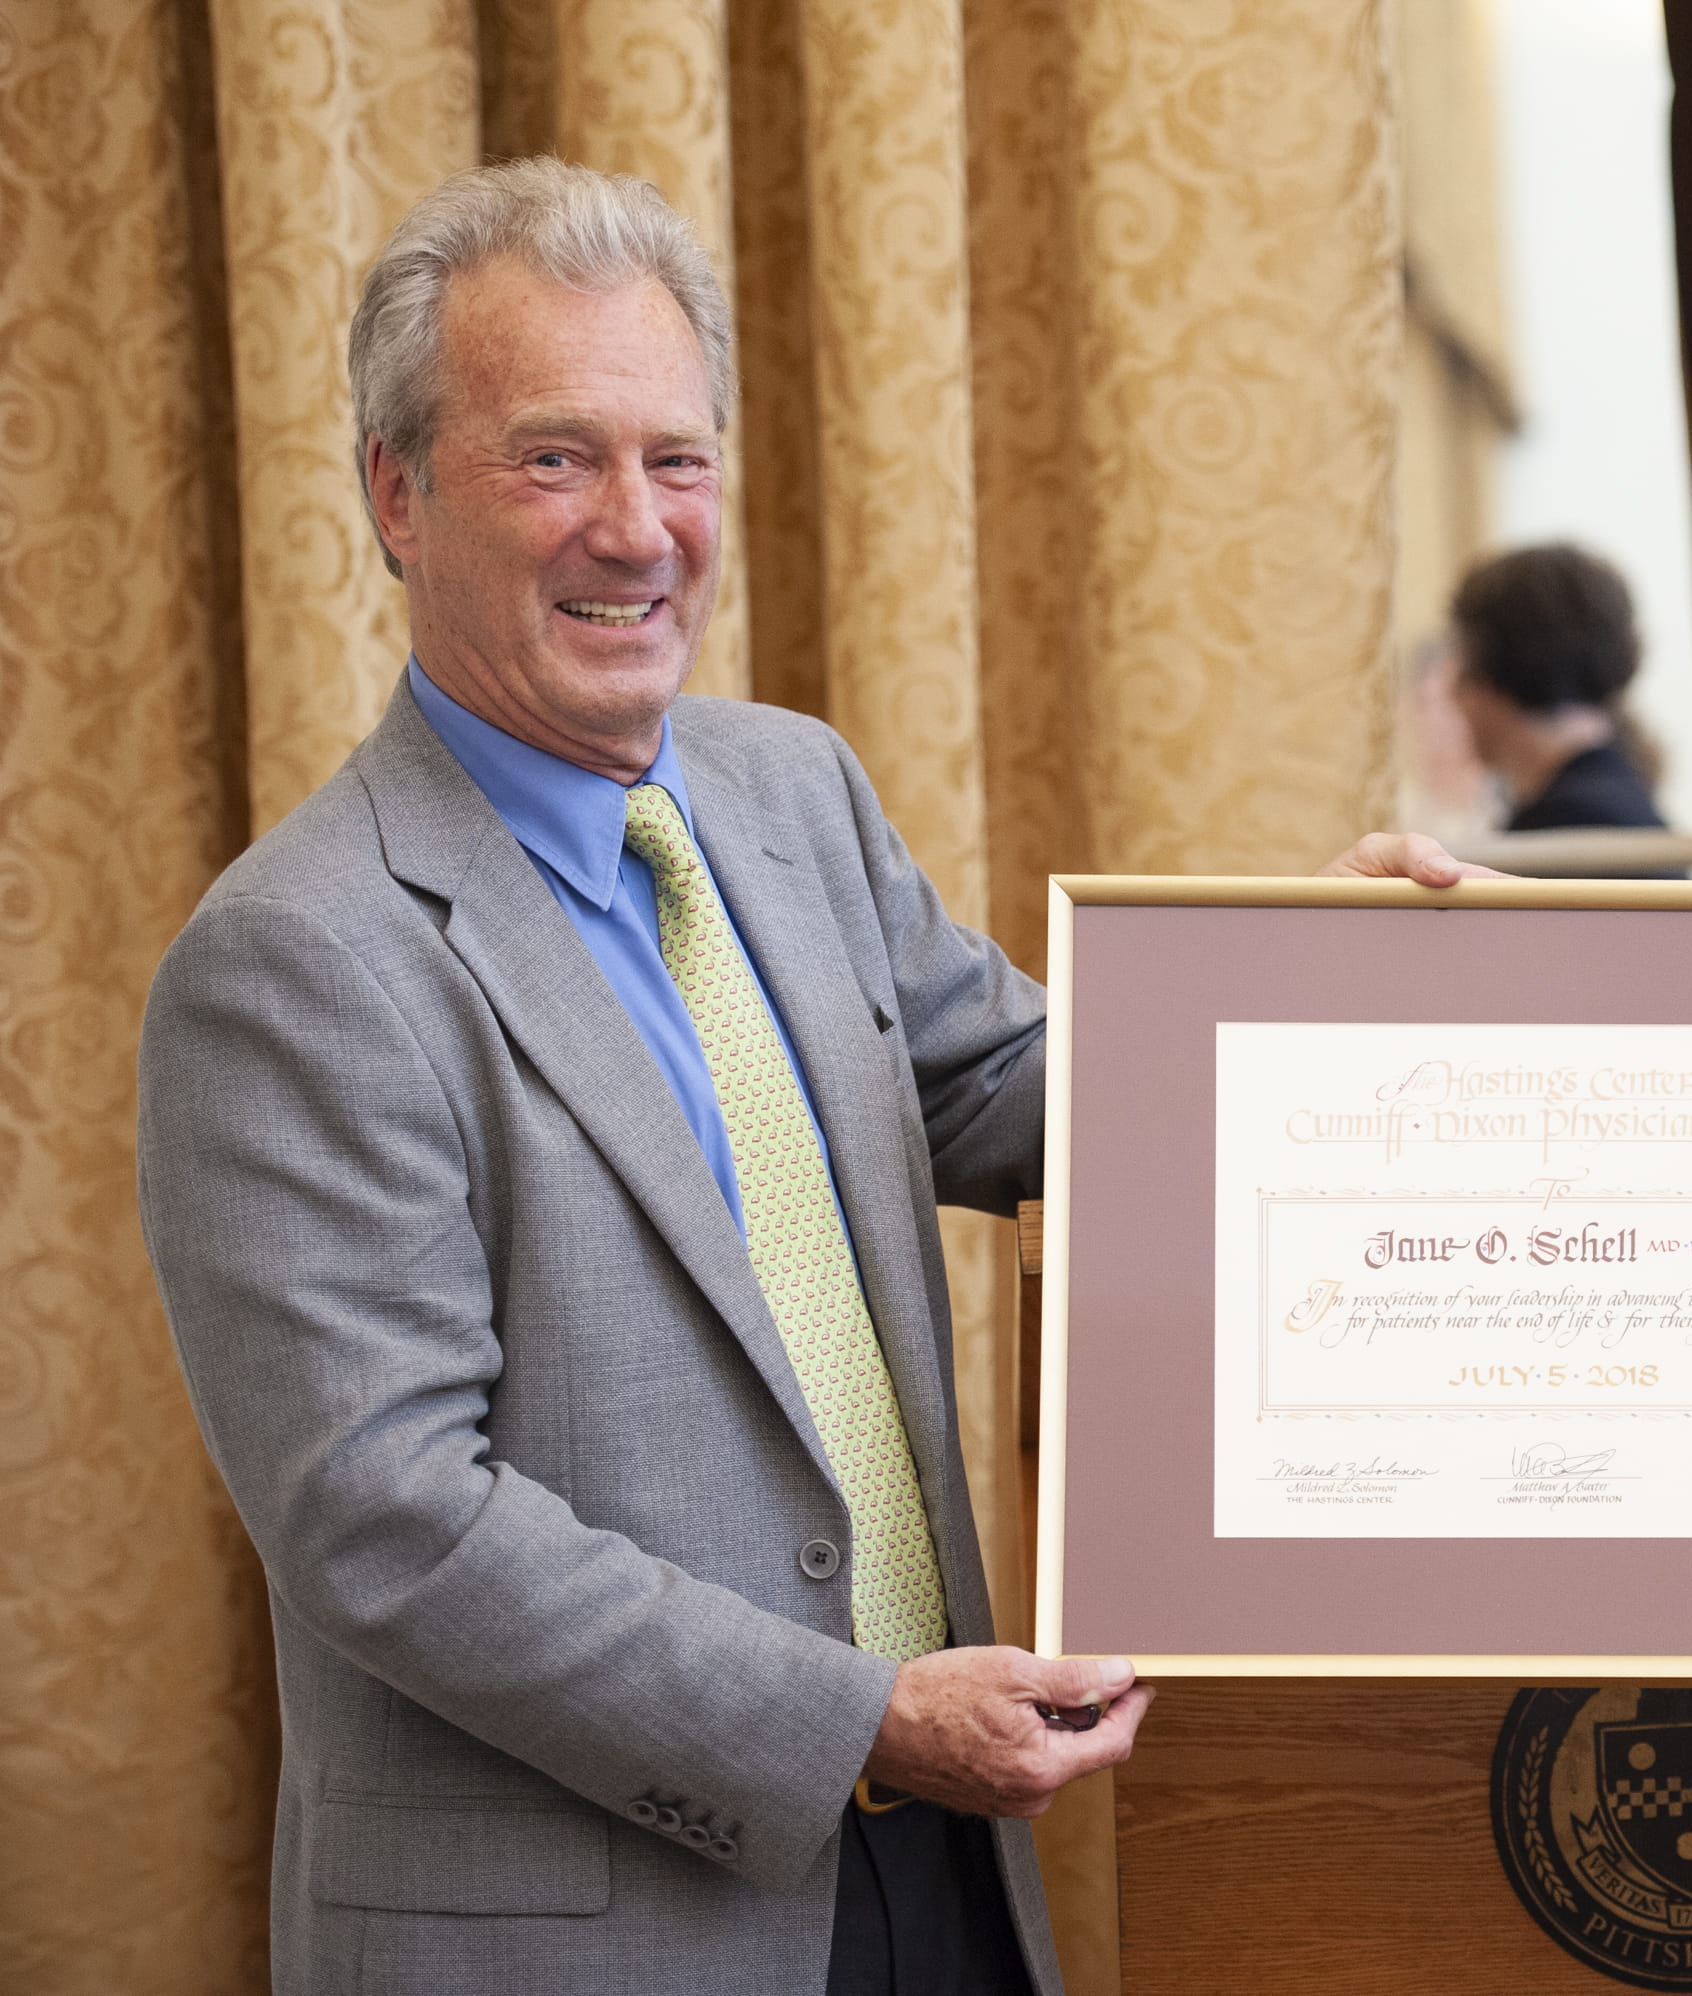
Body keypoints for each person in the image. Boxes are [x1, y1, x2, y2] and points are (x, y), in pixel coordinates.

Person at [135, 158, 1429, 1996]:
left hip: (945, 1880)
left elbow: (1018, 1090)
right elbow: (391, 1522)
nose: (635, 529)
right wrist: (857, 1720)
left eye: (677, 459)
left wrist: (1326, 997)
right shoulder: (298, 960)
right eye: (555, 458)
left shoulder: (787, 794)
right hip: (609, 1933)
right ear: (396, 496)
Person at [1445, 542, 1670, 833]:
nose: (1453, 693)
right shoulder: (1616, 792)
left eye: (1464, 661)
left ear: (1490, 668)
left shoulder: (1572, 818)